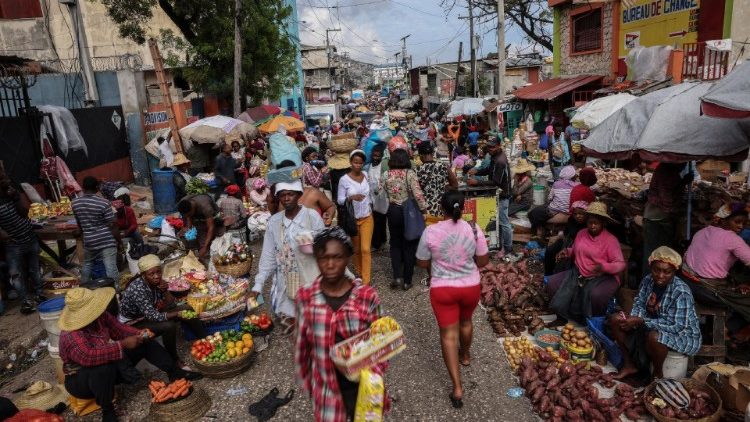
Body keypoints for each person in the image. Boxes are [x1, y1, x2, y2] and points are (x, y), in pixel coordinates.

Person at [59, 287, 199, 422]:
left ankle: (174, 372)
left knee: (143, 342)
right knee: (101, 369)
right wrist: (123, 344)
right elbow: (89, 357)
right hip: (82, 380)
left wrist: (138, 334)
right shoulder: (71, 334)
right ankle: (107, 410)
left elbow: (119, 329)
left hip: (107, 366)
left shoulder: (100, 316)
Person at [294, 227, 387, 421]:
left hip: (365, 390)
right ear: (316, 260)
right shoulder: (306, 297)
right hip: (327, 393)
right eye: (323, 258)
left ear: (348, 258)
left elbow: (382, 344)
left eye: (337, 257)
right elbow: (302, 346)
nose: (330, 264)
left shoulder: (367, 297)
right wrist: (309, 384)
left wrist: (373, 373)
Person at [416, 191, 489, 409]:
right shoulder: (474, 229)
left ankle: (457, 388)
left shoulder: (430, 231)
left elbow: (421, 262)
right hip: (470, 287)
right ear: (463, 207)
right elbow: (483, 260)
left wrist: (436, 265)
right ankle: (465, 355)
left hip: (443, 289)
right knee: (466, 322)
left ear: (442, 208)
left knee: (448, 335)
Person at [610, 247, 701, 380]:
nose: (660, 275)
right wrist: (632, 319)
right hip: (650, 324)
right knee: (616, 319)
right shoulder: (648, 280)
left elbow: (677, 326)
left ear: (674, 272)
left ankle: (657, 374)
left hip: (682, 334)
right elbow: (639, 303)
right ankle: (629, 365)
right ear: (650, 267)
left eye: (667, 272)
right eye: (656, 270)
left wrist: (641, 321)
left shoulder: (681, 291)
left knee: (655, 337)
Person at [252, 180, 325, 335]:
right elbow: (268, 256)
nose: (286, 198)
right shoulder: (274, 222)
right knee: (292, 329)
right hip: (286, 282)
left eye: (290, 194)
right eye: (282, 195)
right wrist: (258, 285)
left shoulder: (312, 217)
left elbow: (325, 248)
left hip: (311, 279)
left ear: (299, 195)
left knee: (315, 327)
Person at [119, 255, 206, 370]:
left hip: (150, 314)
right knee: (169, 326)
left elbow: (171, 304)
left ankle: (205, 341)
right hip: (133, 323)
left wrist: (165, 290)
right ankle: (175, 360)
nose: (156, 276)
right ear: (143, 275)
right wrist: (176, 314)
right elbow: (154, 316)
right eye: (151, 274)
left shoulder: (157, 282)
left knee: (187, 308)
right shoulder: (138, 289)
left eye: (158, 272)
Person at [547, 202, 625, 323]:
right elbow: (577, 249)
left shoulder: (610, 240)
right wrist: (567, 252)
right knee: (552, 283)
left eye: (596, 223)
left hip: (603, 276)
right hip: (579, 272)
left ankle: (594, 322)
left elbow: (620, 264)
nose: (593, 226)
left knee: (595, 295)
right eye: (590, 222)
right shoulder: (581, 234)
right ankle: (562, 317)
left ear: (603, 223)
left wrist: (604, 267)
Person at [682, 204, 750, 324]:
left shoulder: (702, 231)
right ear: (723, 220)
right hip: (705, 291)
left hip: (685, 283)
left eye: (744, 224)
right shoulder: (733, 239)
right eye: (737, 222)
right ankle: (736, 333)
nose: (740, 227)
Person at [384, 148, 427, 290]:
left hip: (392, 210)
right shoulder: (410, 174)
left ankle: (397, 276)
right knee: (409, 244)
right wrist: (424, 209)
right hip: (408, 211)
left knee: (395, 244)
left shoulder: (386, 174)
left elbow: (379, 190)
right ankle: (407, 280)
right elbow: (418, 194)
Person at [0, 182, 44, 314]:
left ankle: (39, 294)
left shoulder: (11, 193)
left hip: (29, 237)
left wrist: (16, 198)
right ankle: (25, 301)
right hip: (13, 244)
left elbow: (24, 213)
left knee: (34, 269)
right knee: (16, 275)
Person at [642, 163, 692, 276]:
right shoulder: (666, 172)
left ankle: (660, 282)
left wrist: (684, 182)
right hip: (657, 218)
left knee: (663, 253)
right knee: (654, 254)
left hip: (661, 217)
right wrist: (674, 213)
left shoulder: (671, 172)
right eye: (682, 163)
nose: (683, 166)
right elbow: (666, 198)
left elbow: (673, 189)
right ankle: (649, 284)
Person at [467, 138, 513, 256]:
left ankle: (508, 249)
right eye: (489, 147)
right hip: (498, 192)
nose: (490, 149)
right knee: (500, 221)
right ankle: (500, 245)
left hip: (503, 194)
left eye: (492, 147)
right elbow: (489, 171)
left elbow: (496, 181)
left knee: (504, 222)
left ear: (498, 146)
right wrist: (476, 171)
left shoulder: (500, 161)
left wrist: (477, 182)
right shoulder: (495, 156)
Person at [71, 177, 120, 287]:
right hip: (106, 240)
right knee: (110, 268)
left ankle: (83, 289)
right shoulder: (104, 203)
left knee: (87, 264)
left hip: (89, 241)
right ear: (97, 188)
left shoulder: (75, 203)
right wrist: (119, 241)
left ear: (83, 188)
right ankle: (115, 291)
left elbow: (79, 225)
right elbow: (112, 225)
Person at [337, 150, 373, 285]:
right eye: (355, 162)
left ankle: (366, 280)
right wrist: (351, 197)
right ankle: (359, 272)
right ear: (350, 162)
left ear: (363, 164)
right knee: (357, 249)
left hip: (367, 216)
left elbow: (370, 194)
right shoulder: (344, 180)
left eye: (360, 163)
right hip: (352, 219)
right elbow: (340, 200)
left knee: (365, 249)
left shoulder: (365, 175)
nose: (357, 165)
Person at [528, 165, 578, 238]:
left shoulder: (556, 184)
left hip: (555, 211)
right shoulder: (576, 186)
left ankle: (539, 232)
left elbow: (550, 198)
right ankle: (544, 231)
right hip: (568, 210)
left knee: (535, 212)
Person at [544, 201, 590, 275]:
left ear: (586, 214)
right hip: (568, 241)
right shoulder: (571, 220)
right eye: (575, 214)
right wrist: (559, 238)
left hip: (580, 246)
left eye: (581, 214)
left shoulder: (588, 224)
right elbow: (566, 233)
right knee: (550, 251)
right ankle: (548, 274)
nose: (578, 216)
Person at [416, 142, 458, 218]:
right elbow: (455, 185)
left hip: (425, 212)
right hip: (442, 209)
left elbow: (417, 192)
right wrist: (444, 187)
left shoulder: (417, 170)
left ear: (420, 155)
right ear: (433, 153)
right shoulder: (444, 166)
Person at [177, 193, 223, 260]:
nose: (188, 216)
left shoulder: (205, 206)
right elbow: (188, 217)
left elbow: (211, 227)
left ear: (192, 209)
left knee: (214, 241)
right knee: (197, 238)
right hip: (199, 219)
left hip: (214, 218)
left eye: (189, 214)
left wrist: (205, 247)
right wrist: (188, 229)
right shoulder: (184, 203)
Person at [366, 144, 389, 251]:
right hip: (372, 198)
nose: (375, 158)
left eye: (378, 156)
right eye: (374, 156)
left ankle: (381, 241)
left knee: (382, 220)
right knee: (375, 221)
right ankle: (377, 243)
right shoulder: (369, 166)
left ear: (381, 156)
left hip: (382, 198)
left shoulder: (383, 166)